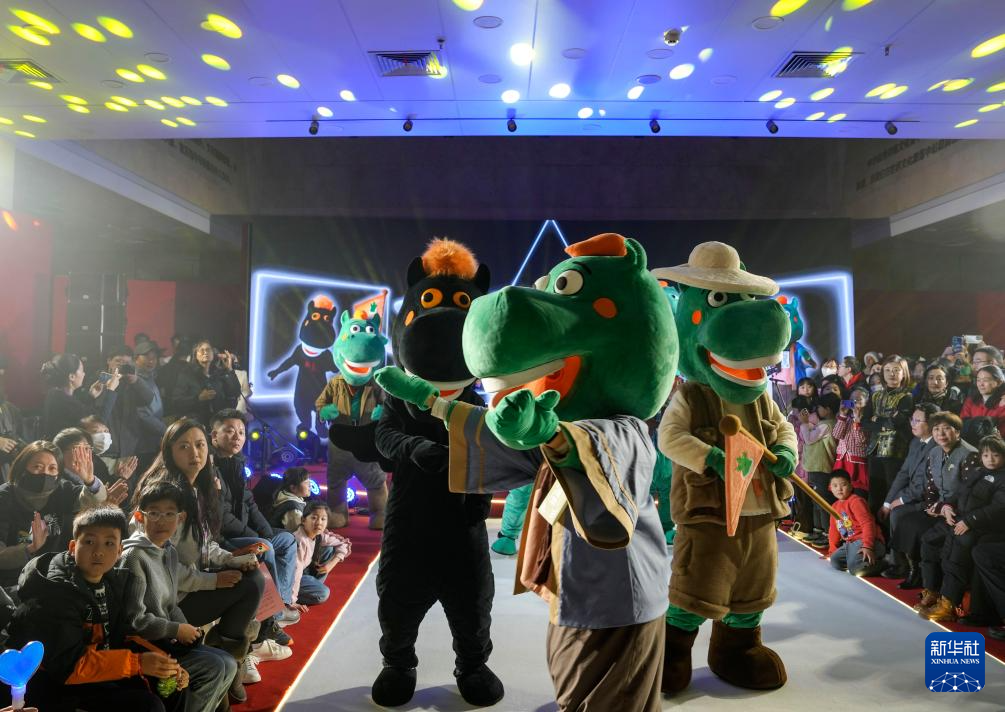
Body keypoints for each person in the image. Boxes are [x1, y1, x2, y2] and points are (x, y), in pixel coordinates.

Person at [133, 419, 265, 703]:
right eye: (184, 446)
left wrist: (231, 559)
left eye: (199, 444)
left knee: (253, 574)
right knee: (251, 585)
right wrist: (213, 580)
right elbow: (163, 565)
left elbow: (205, 544)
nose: (194, 452)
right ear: (169, 452)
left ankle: (231, 658)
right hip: (168, 602)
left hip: (188, 583)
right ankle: (229, 661)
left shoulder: (196, 489)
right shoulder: (167, 496)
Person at [6, 506, 181, 711]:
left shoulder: (111, 582)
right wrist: (138, 662)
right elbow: (69, 666)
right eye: (89, 542)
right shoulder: (56, 593)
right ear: (73, 547)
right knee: (148, 706)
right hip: (55, 686)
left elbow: (122, 634)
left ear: (119, 551)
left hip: (94, 671)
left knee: (172, 687)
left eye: (109, 543)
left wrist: (166, 663)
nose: (98, 551)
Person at [121, 480, 236, 712]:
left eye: (169, 513)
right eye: (154, 513)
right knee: (213, 666)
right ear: (140, 517)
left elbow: (171, 605)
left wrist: (187, 631)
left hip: (165, 639)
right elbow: (134, 621)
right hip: (145, 646)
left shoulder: (169, 552)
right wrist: (176, 630)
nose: (162, 520)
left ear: (180, 518)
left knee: (229, 663)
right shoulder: (133, 557)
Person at [210, 409, 300, 626]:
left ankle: (282, 602)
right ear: (214, 436)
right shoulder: (211, 469)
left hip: (243, 532)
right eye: (230, 431)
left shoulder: (237, 463)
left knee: (287, 539)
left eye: (241, 432)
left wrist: (266, 531)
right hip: (223, 538)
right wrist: (256, 535)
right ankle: (273, 617)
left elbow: (249, 502)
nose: (237, 437)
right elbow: (222, 516)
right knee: (264, 546)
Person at [915, 435, 1005, 622]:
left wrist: (970, 521)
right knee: (929, 539)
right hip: (960, 519)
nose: (990, 459)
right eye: (986, 455)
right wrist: (946, 506)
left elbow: (997, 508)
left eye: (996, 455)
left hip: (984, 527)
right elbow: (958, 493)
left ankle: (948, 603)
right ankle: (932, 590)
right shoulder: (977, 472)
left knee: (958, 545)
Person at [0, 441, 108, 586]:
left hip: (53, 575)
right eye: (37, 467)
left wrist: (90, 481)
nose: (45, 473)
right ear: (23, 467)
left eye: (52, 468)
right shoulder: (4, 497)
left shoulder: (62, 490)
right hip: (12, 581)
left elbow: (90, 501)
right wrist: (29, 549)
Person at [879, 403, 939, 583]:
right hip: (912, 493)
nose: (912, 424)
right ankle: (897, 560)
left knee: (898, 513)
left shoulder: (937, 447)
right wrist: (887, 502)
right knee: (886, 509)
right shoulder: (915, 442)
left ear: (931, 423)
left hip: (929, 499)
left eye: (917, 421)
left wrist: (902, 500)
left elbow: (926, 485)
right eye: (912, 419)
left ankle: (907, 566)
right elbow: (903, 473)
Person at [861, 355, 915, 516]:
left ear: (904, 373)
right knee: (875, 493)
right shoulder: (876, 395)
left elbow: (898, 422)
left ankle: (891, 528)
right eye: (888, 370)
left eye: (896, 370)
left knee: (892, 492)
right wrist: (885, 420)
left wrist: (877, 419)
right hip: (874, 450)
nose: (892, 374)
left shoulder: (907, 397)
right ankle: (875, 529)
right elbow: (864, 422)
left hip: (895, 451)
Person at [109, 340, 166, 482]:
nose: (151, 361)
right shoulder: (130, 380)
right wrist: (166, 431)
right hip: (138, 443)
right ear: (136, 359)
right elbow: (143, 414)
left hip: (148, 441)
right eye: (147, 357)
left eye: (154, 358)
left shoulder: (148, 378)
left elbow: (149, 399)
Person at [41, 353, 119, 440]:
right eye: (82, 370)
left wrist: (91, 396)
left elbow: (82, 413)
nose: (84, 374)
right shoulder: (65, 402)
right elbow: (98, 424)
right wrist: (111, 390)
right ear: (72, 376)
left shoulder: (55, 395)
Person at [291, 501, 351, 606]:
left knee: (329, 549)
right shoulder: (300, 540)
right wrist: (292, 601)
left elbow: (344, 543)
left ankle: (312, 585)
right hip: (291, 577)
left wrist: (331, 564)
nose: (319, 523)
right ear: (303, 520)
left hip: (304, 572)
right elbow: (296, 571)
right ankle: (286, 596)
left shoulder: (319, 535)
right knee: (323, 594)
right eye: (314, 518)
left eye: (323, 519)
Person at [799, 393, 840, 547]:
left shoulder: (827, 425)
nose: (817, 411)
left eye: (820, 408)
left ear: (827, 409)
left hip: (821, 468)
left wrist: (804, 423)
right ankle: (818, 530)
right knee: (816, 501)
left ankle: (827, 534)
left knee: (822, 502)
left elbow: (809, 439)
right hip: (817, 467)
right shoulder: (827, 424)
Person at [827, 471, 885, 577]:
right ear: (830, 488)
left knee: (855, 569)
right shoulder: (834, 506)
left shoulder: (856, 501)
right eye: (835, 486)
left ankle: (884, 562)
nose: (839, 489)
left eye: (843, 485)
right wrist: (832, 551)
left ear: (850, 486)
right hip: (850, 543)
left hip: (866, 540)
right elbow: (833, 530)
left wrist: (868, 546)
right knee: (835, 561)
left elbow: (868, 524)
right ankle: (857, 561)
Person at [53, 428, 128, 507]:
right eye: (80, 449)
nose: (86, 454)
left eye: (88, 449)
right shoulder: (57, 483)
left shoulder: (96, 468)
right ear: (60, 454)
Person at [171, 341, 241, 426]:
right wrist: (198, 398)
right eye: (201, 350)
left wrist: (229, 369)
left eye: (208, 349)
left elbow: (236, 392)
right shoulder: (187, 375)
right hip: (197, 424)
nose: (205, 352)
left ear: (213, 354)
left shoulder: (219, 373)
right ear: (195, 355)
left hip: (219, 422)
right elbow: (177, 402)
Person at [79, 415, 138, 489]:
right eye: (96, 431)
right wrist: (121, 478)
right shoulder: (84, 462)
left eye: (106, 431)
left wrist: (117, 476)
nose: (104, 436)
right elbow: (103, 492)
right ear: (82, 436)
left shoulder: (97, 460)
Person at [833, 386, 870, 497]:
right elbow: (836, 435)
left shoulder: (868, 419)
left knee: (858, 494)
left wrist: (857, 421)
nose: (855, 402)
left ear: (866, 402)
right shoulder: (845, 417)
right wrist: (842, 415)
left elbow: (861, 442)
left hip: (857, 463)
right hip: (842, 460)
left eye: (859, 399)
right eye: (852, 399)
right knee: (841, 495)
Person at [960, 364, 1005, 438]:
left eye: (985, 380)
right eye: (978, 380)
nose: (981, 384)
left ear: (999, 382)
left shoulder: (1003, 403)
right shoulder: (971, 400)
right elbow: (962, 423)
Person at [157, 337, 192, 419]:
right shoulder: (191, 370)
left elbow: (161, 391)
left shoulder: (165, 368)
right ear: (190, 354)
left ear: (176, 351)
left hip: (167, 410)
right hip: (186, 411)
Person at [271, 466, 311, 531]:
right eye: (306, 483)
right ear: (293, 488)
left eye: (309, 482)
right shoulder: (293, 509)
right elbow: (298, 533)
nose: (310, 485)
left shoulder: (284, 496)